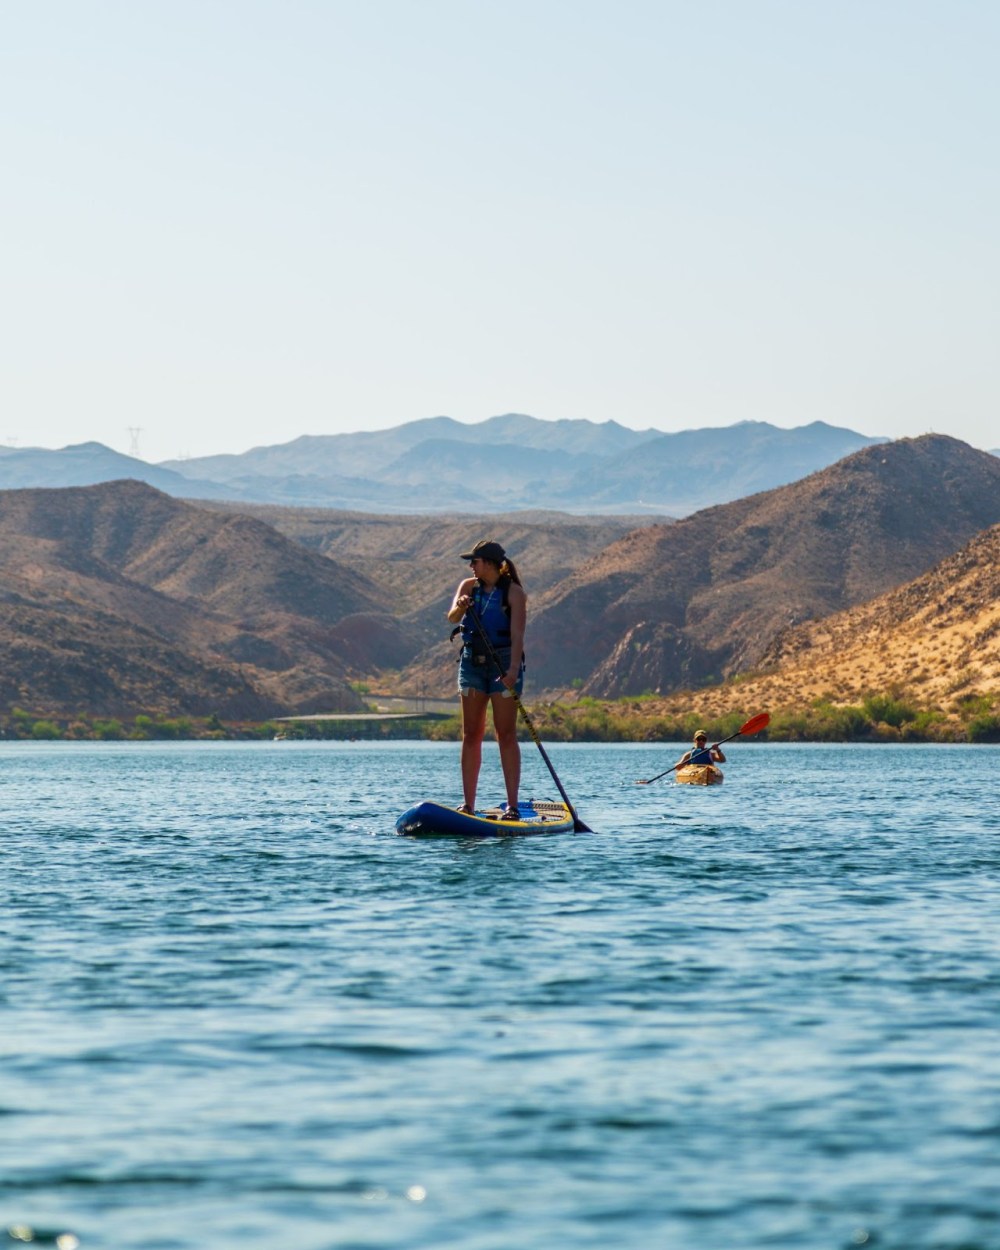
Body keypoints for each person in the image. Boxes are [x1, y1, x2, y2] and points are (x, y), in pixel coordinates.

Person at [445, 538, 527, 819]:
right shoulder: (468, 587)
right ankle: (468, 804)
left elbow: (517, 636)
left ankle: (512, 806)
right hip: (471, 664)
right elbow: (452, 617)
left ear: (490, 564)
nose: (471, 566)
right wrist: (462, 605)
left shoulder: (514, 593)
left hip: (503, 665)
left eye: (475, 562)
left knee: (505, 735)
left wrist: (513, 670)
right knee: (471, 735)